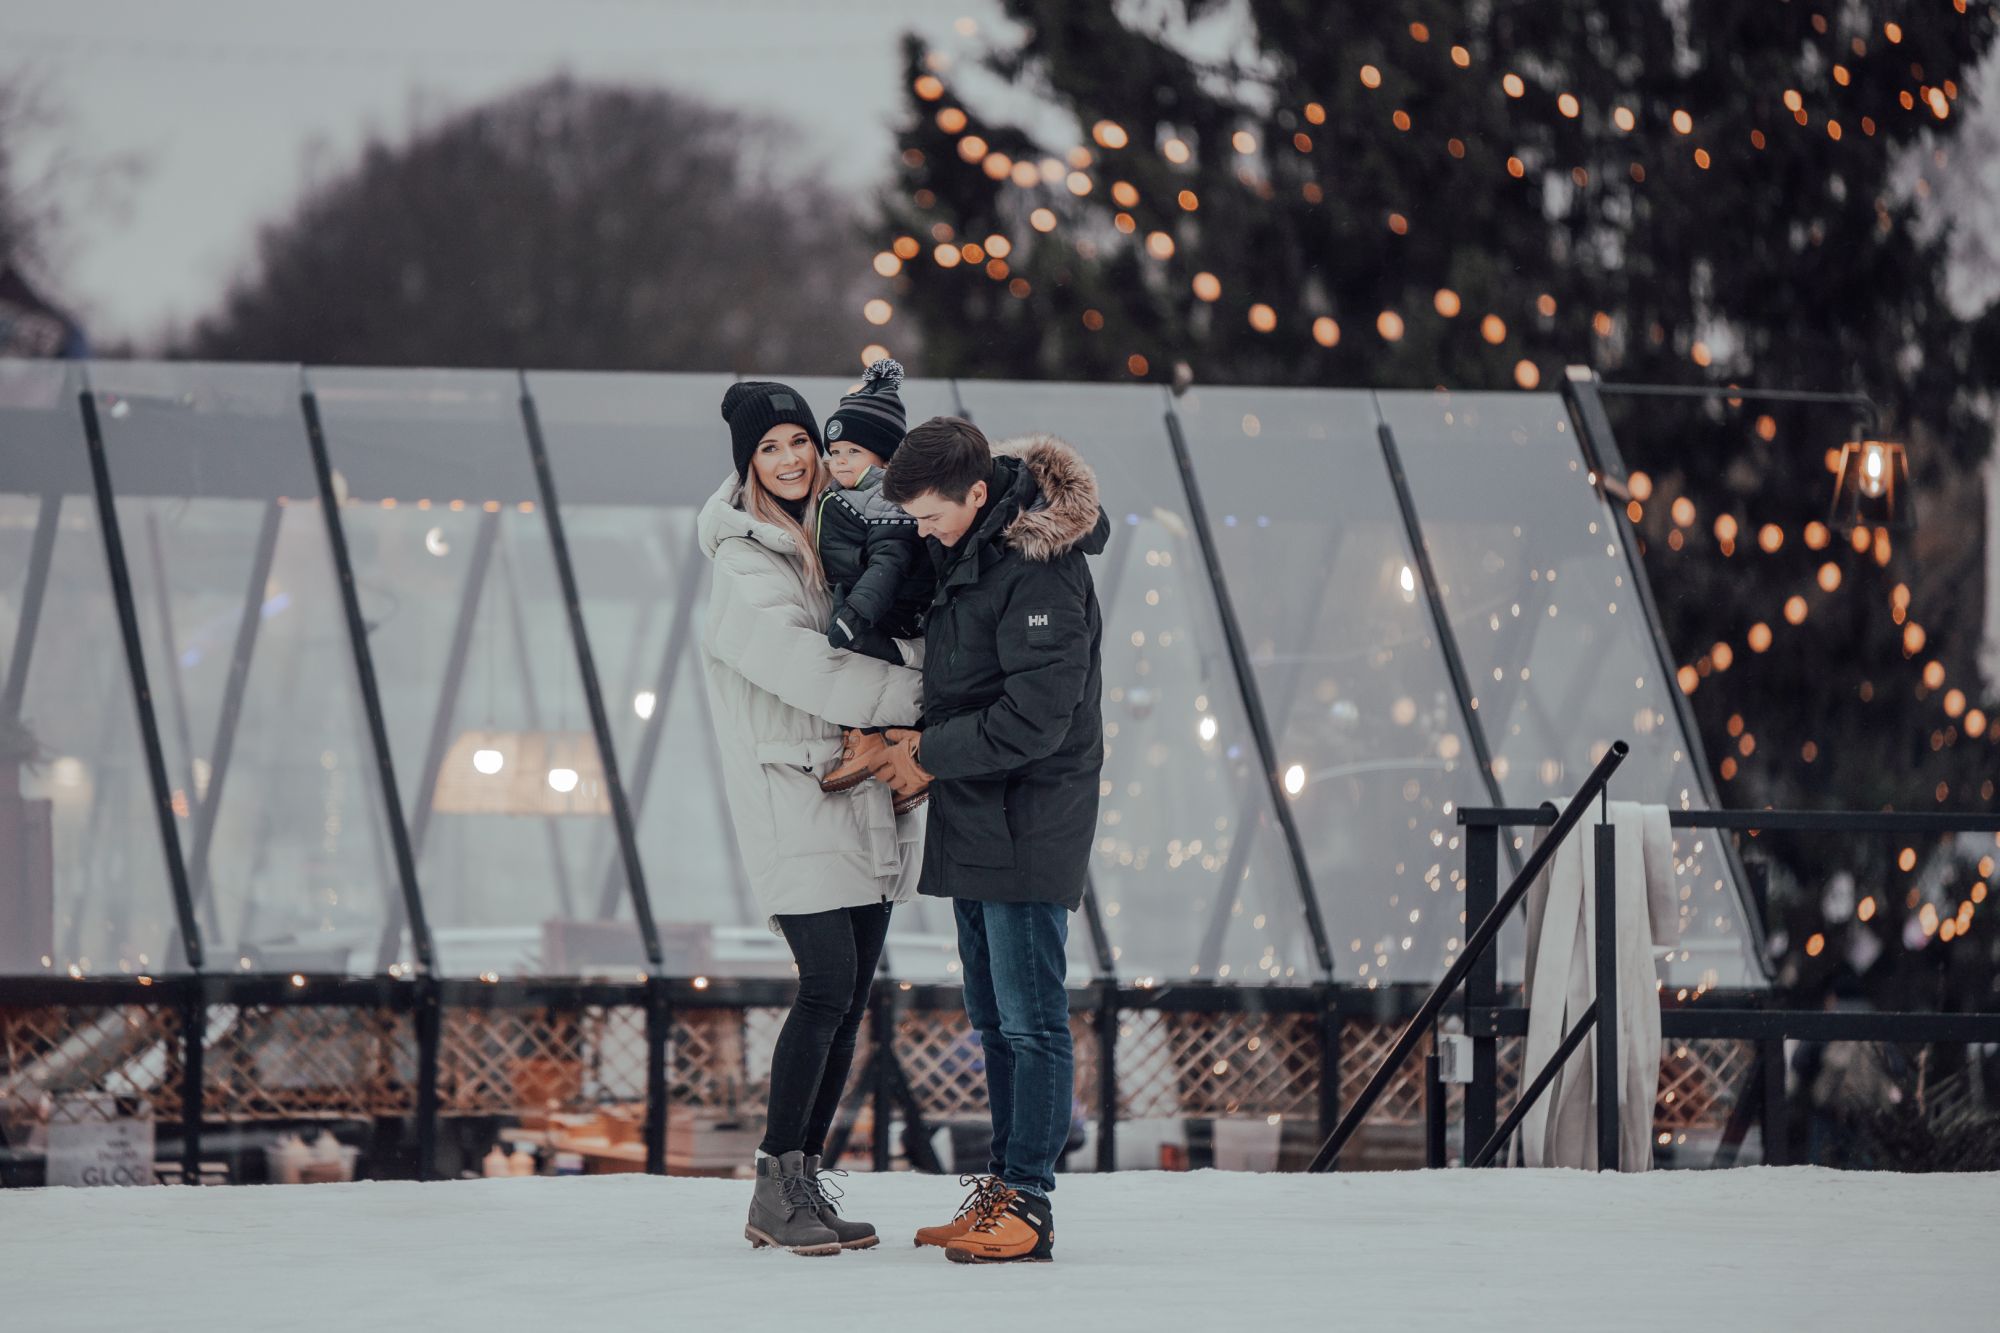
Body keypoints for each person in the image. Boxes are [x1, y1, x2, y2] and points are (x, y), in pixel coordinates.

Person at [699, 379, 925, 1256]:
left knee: (851, 993)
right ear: (747, 464)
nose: (793, 459)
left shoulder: (835, 534)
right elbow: (812, 673)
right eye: (771, 448)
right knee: (825, 981)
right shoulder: (745, 565)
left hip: (853, 787)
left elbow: (890, 627)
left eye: (801, 441)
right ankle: (770, 1185)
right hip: (792, 790)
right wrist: (928, 695)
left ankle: (803, 1181)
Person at [876, 417, 1108, 1264]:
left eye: (931, 515)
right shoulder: (971, 548)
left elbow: (1039, 717)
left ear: (978, 495)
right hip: (981, 809)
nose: (923, 529)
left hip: (1029, 813)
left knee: (1033, 1019)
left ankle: (1031, 1204)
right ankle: (1001, 1192)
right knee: (995, 1020)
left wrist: (926, 754)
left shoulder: (1040, 567)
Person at [810, 358, 935, 805]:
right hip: (866, 604)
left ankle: (885, 749)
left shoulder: (885, 501)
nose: (840, 461)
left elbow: (888, 565)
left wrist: (857, 613)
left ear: (882, 457)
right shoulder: (846, 493)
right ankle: (885, 749)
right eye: (835, 453)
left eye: (853, 453)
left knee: (867, 662)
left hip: (890, 612)